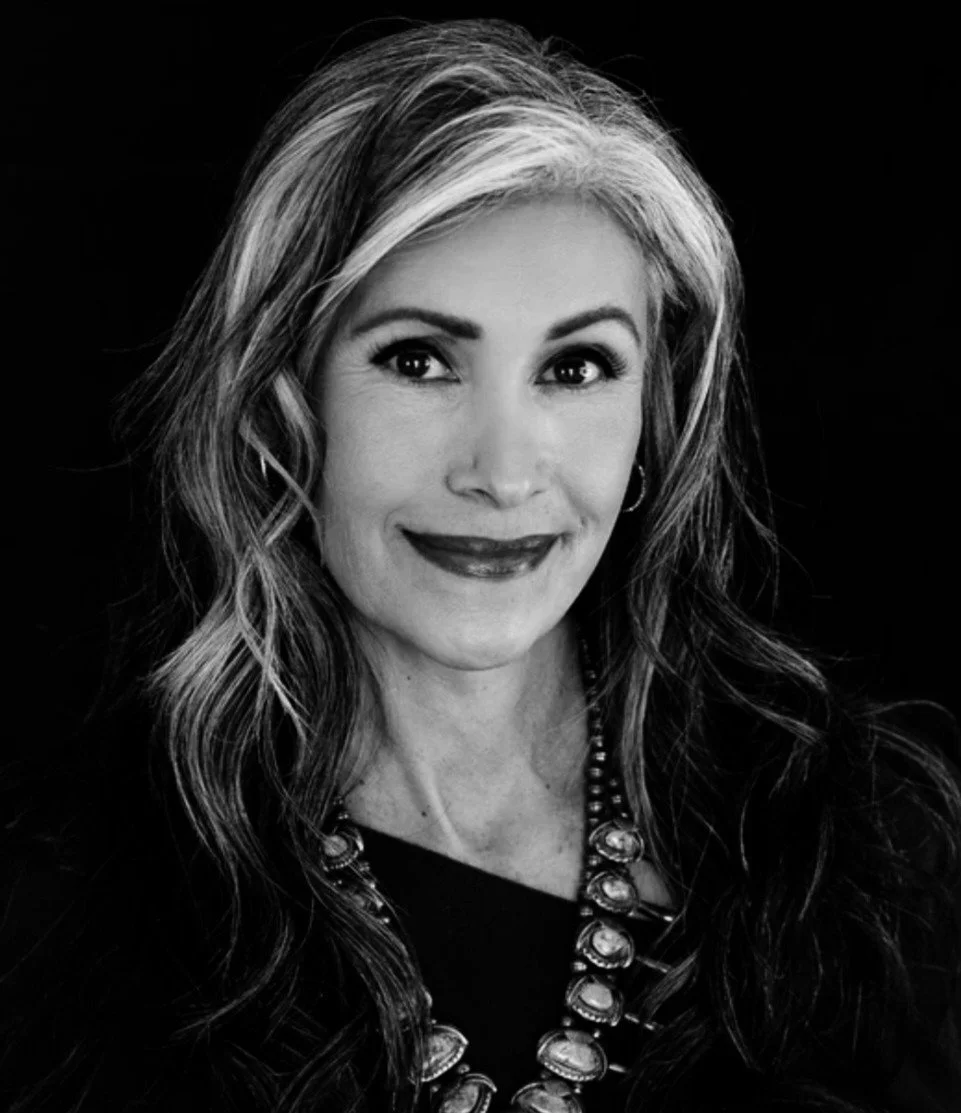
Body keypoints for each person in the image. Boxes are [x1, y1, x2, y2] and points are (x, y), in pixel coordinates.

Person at [2, 17, 959, 1113]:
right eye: (417, 359)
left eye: (577, 366)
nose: (503, 473)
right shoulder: (73, 914)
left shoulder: (867, 853)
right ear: (279, 404)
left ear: (655, 417)